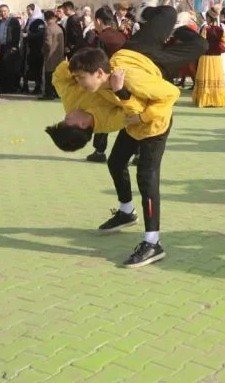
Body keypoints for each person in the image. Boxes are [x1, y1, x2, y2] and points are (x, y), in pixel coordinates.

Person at [47, 43, 179, 268]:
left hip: (156, 123)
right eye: (66, 120)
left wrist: (74, 64)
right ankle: (127, 213)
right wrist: (121, 94)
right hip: (137, 121)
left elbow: (171, 95)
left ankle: (152, 242)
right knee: (116, 161)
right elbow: (131, 111)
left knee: (146, 178)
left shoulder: (122, 81)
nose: (66, 114)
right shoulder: (107, 119)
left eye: (79, 77)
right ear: (79, 125)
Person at [85, 6, 128, 163]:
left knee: (102, 115)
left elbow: (97, 62)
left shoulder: (101, 38)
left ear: (98, 21)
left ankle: (99, 150)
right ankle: (136, 151)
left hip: (106, 83)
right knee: (128, 114)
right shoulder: (122, 36)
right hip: (123, 80)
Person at [194, 8, 225, 108]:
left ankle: (205, 99)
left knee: (205, 77)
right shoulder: (220, 29)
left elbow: (201, 42)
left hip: (206, 57)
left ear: (209, 18)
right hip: (217, 58)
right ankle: (216, 99)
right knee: (216, 77)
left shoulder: (206, 29)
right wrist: (220, 47)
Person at [0, 4, 22, 93]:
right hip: (1, 47)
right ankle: (2, 87)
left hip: (10, 47)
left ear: (8, 12)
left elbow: (16, 34)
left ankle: (12, 87)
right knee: (1, 67)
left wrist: (14, 46)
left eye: (5, 11)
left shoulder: (13, 21)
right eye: (1, 11)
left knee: (11, 68)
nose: (3, 13)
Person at [39, 10, 65, 100]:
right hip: (59, 55)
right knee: (56, 75)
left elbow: (48, 43)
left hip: (50, 56)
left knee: (49, 75)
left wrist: (43, 50)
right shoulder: (59, 28)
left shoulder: (48, 28)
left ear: (45, 18)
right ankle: (56, 93)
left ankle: (48, 94)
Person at [23, 4, 46, 94]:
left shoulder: (39, 21)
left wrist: (29, 35)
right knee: (27, 67)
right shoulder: (30, 20)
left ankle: (37, 87)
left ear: (34, 10)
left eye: (29, 10)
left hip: (37, 49)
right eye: (27, 10)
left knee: (36, 68)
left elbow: (40, 34)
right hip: (28, 48)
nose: (28, 12)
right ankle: (26, 86)